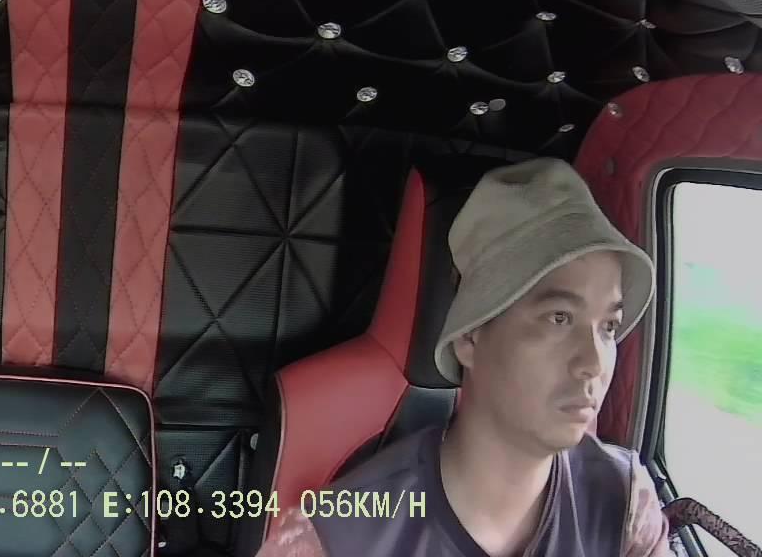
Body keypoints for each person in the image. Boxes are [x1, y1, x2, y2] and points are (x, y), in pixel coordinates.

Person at [256, 158, 673, 556]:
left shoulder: (626, 505)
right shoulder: (337, 539)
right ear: (470, 337)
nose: (594, 364)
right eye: (559, 318)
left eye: (608, 327)